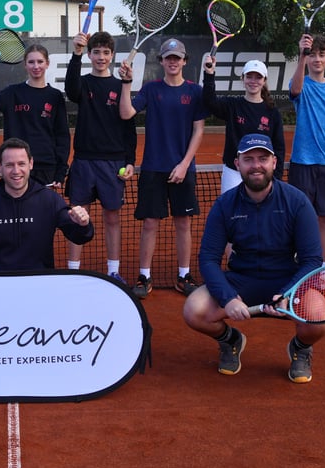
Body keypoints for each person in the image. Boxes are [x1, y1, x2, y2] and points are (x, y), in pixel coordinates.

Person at [183, 134, 325, 383]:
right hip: (241, 281)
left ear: (274, 162)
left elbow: (312, 259)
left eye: (262, 158)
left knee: (319, 319)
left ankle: (301, 348)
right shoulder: (224, 205)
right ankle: (231, 341)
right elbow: (208, 258)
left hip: (287, 282)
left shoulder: (297, 202)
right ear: (237, 164)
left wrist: (287, 293)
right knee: (193, 310)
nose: (256, 165)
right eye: (248, 159)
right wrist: (227, 298)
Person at [118, 38, 205, 298]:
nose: (173, 62)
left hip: (183, 169)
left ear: (185, 61)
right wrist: (126, 83)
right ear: (162, 61)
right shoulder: (151, 88)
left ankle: (183, 275)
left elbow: (199, 130)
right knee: (150, 224)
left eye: (177, 58)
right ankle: (144, 276)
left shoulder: (195, 91)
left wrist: (184, 164)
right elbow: (126, 113)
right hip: (154, 168)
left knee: (183, 224)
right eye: (168, 57)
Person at [0, 138, 93, 270]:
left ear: (31, 164)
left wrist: (83, 224)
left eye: (21, 164)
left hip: (40, 281)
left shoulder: (50, 200)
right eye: (9, 165)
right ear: (0, 167)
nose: (16, 171)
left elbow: (79, 237)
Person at [63, 31, 137, 281]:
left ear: (112, 55)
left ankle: (113, 272)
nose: (101, 57)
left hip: (113, 163)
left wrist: (130, 160)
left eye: (106, 53)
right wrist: (76, 53)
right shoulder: (83, 83)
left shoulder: (120, 86)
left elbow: (129, 127)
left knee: (112, 218)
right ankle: (73, 271)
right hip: (84, 161)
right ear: (90, 54)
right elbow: (71, 90)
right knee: (77, 216)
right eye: (96, 52)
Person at [288, 32, 325, 292]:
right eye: (312, 55)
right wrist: (301, 55)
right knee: (300, 218)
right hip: (302, 162)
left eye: (321, 55)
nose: (316, 59)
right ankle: (299, 270)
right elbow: (294, 89)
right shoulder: (302, 84)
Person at [0, 43, 70, 187]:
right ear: (25, 65)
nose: (36, 66)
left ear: (47, 63)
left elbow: (62, 136)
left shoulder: (55, 96)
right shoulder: (12, 92)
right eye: (31, 62)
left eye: (40, 61)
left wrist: (60, 171)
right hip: (15, 165)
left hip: (45, 167)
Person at [202, 56, 285, 192]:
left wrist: (276, 177)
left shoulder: (272, 112)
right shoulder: (232, 105)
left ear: (264, 81)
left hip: (261, 173)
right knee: (232, 211)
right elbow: (209, 102)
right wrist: (209, 74)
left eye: (258, 77)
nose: (253, 81)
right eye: (249, 76)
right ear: (243, 78)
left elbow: (279, 147)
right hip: (233, 172)